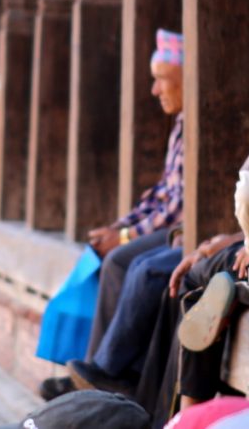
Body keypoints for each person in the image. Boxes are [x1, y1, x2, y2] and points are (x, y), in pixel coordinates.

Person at [39, 29, 187, 401]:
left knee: (126, 261)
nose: (155, 91)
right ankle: (93, 373)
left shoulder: (199, 124)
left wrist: (123, 238)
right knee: (114, 258)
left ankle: (105, 372)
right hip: (172, 226)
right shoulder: (181, 125)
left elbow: (176, 209)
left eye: (162, 81)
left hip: (188, 231)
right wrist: (121, 226)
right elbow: (161, 194)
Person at [133, 119, 249, 427]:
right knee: (204, 294)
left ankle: (174, 415)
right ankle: (179, 412)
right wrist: (232, 239)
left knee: (193, 284)